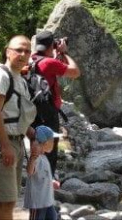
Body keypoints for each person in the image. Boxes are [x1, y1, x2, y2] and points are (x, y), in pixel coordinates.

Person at [0, 35, 37, 220]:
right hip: (1, 143)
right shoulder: (0, 75)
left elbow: (14, 114)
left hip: (16, 142)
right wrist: (5, 146)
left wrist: (31, 135)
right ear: (8, 51)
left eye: (27, 51)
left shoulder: (19, 79)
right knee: (8, 202)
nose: (23, 54)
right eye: (18, 50)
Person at [31, 30, 80, 178]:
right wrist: (64, 53)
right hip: (48, 113)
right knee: (50, 149)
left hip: (33, 110)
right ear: (51, 46)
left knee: (37, 145)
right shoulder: (49, 62)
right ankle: (48, 182)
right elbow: (75, 72)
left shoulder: (31, 60)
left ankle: (37, 176)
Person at [24, 125, 62, 220]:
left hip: (47, 200)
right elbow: (29, 171)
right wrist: (32, 158)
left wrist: (51, 182)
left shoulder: (44, 158)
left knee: (53, 217)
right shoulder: (36, 158)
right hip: (37, 203)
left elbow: (43, 175)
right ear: (44, 143)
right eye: (52, 141)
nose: (53, 143)